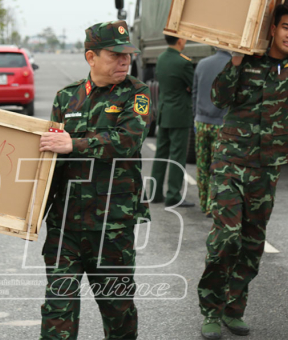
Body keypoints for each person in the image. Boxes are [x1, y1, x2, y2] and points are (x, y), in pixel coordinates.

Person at [197, 0, 288, 339]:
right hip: (230, 161)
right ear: (272, 29)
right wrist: (235, 61)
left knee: (252, 243)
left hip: (266, 167)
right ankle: (210, 306)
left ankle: (234, 309)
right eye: (285, 27)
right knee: (226, 237)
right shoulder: (248, 59)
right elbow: (221, 98)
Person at [38, 20, 152, 340]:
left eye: (127, 54)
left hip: (112, 226)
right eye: (115, 55)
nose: (124, 61)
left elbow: (128, 140)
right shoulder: (66, 98)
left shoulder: (136, 94)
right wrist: (29, 213)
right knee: (57, 313)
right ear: (91, 57)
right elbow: (48, 159)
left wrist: (74, 143)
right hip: (66, 228)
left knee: (118, 313)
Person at [149, 34, 195, 207]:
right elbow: (192, 85)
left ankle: (154, 193)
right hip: (180, 114)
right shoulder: (184, 62)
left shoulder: (161, 58)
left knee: (160, 154)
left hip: (164, 112)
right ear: (180, 41)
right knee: (177, 156)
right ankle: (173, 195)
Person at [192, 48, 232, 215]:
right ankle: (212, 204)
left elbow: (194, 93)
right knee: (217, 166)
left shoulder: (201, 64)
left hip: (201, 123)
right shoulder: (232, 66)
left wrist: (196, 116)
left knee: (202, 166)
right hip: (221, 124)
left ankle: (202, 202)